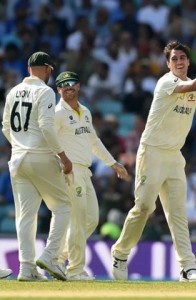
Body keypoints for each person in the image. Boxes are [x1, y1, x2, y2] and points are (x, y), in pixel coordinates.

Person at [111, 40, 196, 282]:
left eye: (182, 58)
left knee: (178, 214)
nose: (179, 62)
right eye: (174, 59)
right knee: (145, 208)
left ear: (189, 61)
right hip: (152, 153)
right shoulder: (167, 82)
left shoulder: (193, 86)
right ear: (168, 63)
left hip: (174, 157)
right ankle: (120, 252)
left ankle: (187, 267)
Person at [2, 51, 73, 281]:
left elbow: (5, 127)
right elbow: (45, 126)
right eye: (50, 70)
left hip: (18, 158)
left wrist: (20, 145)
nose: (51, 75)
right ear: (46, 69)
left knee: (25, 216)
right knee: (63, 206)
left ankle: (27, 268)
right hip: (40, 155)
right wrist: (62, 156)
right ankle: (51, 256)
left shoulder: (13, 91)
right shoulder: (45, 91)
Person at [54, 71, 129, 281]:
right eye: (63, 84)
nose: (68, 86)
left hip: (85, 171)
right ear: (58, 89)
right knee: (78, 221)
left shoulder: (85, 111)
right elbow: (49, 140)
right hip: (70, 170)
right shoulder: (57, 113)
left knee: (91, 220)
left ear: (78, 86)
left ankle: (58, 258)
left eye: (72, 83)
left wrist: (113, 163)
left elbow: (94, 141)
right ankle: (75, 270)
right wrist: (59, 164)